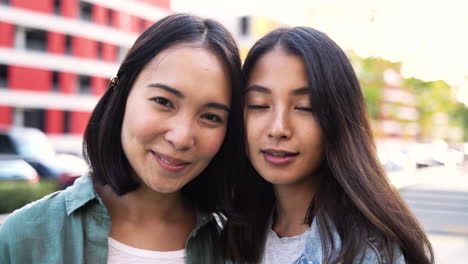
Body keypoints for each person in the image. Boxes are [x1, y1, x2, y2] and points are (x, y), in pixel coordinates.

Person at [0, 13, 244, 264]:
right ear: (122, 93)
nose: (181, 138)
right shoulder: (25, 237)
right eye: (163, 102)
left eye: (211, 117)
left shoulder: (238, 247)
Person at [222, 27, 434, 264]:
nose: (278, 128)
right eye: (259, 104)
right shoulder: (227, 229)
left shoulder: (364, 251)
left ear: (338, 118)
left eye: (305, 107)